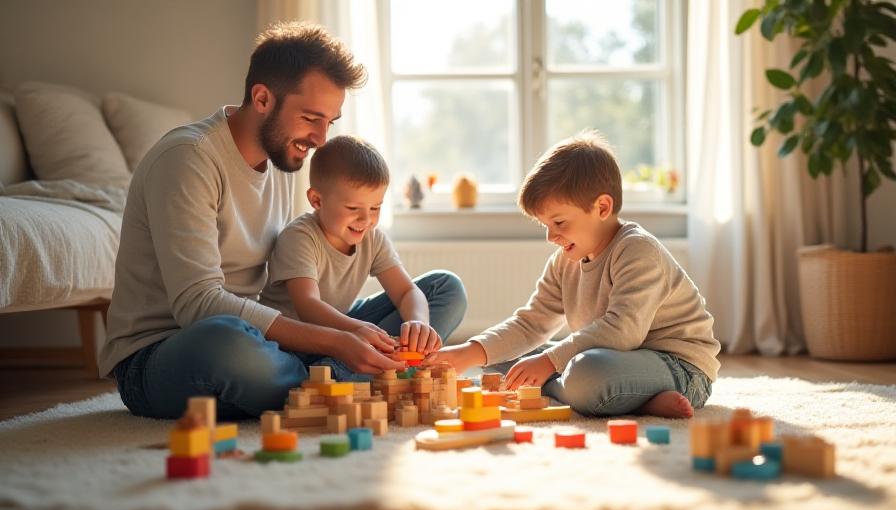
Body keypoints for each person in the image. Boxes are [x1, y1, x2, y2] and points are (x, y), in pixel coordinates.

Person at [99, 22, 412, 420]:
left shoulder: (284, 159)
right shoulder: (187, 159)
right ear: (262, 98)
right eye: (311, 118)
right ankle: (338, 376)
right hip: (168, 352)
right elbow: (199, 305)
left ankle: (321, 378)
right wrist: (336, 340)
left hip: (263, 339)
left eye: (329, 123)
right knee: (226, 342)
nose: (320, 139)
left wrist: (345, 330)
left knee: (439, 290)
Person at [431, 130, 721, 419]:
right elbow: (531, 324)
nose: (550, 236)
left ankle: (602, 392)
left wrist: (547, 362)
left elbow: (622, 332)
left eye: (559, 222)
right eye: (544, 225)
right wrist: (467, 353)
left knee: (586, 373)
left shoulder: (638, 249)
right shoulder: (564, 261)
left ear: (602, 207)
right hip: (618, 361)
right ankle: (635, 400)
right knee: (499, 361)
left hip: (679, 367)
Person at [260, 135, 466, 382]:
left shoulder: (372, 238)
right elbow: (308, 306)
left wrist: (417, 322)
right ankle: (340, 375)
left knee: (446, 286)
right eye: (353, 209)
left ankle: (350, 370)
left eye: (375, 208)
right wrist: (355, 329)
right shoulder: (299, 237)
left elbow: (405, 292)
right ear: (316, 200)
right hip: (296, 344)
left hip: (346, 327)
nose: (366, 220)